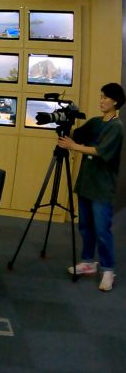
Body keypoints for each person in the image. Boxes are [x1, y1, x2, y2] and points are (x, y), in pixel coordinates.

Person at [57, 82, 125, 291]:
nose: (101, 101)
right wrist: (62, 122)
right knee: (85, 226)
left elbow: (100, 151)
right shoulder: (96, 122)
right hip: (86, 183)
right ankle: (87, 262)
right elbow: (76, 135)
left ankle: (108, 270)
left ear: (115, 101)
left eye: (105, 97)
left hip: (102, 187)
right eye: (101, 96)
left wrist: (73, 146)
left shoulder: (116, 127)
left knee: (102, 230)